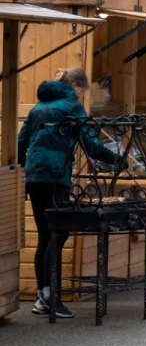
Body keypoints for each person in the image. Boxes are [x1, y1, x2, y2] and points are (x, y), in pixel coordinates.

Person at [18, 68, 120, 318]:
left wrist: (23, 173)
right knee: (58, 234)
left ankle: (43, 297)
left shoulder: (37, 107)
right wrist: (117, 160)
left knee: (45, 235)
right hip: (56, 175)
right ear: (75, 86)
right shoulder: (72, 107)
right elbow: (91, 144)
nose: (82, 96)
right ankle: (52, 299)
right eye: (82, 91)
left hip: (34, 175)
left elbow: (21, 141)